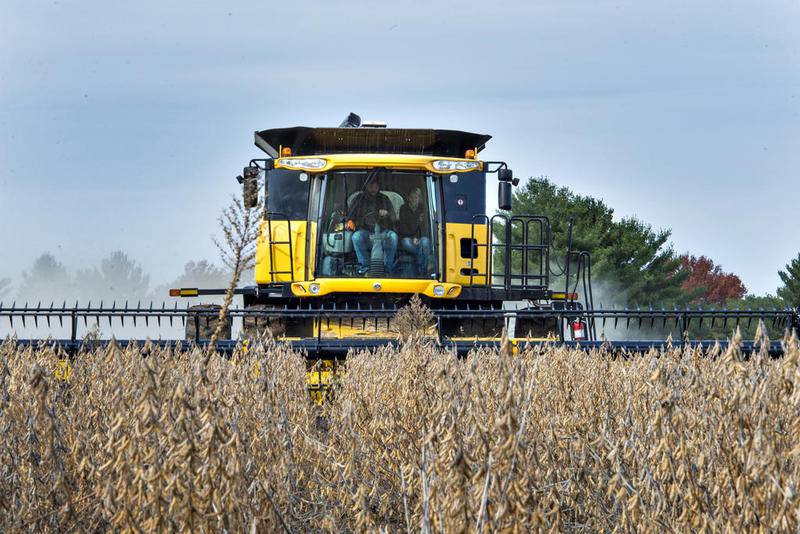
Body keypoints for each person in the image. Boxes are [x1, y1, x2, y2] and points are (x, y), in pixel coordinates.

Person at [346, 173, 398, 275]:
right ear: (366, 186)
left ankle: (388, 269)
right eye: (371, 186)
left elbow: (393, 217)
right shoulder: (359, 199)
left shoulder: (385, 199)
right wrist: (349, 222)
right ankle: (365, 267)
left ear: (378, 187)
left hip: (383, 234)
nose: (373, 189)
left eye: (375, 187)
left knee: (393, 236)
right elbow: (349, 216)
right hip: (366, 234)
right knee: (356, 237)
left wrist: (387, 214)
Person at [397, 187, 431, 276]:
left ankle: (421, 270)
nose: (414, 200)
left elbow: (426, 227)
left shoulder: (423, 209)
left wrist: (418, 238)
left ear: (419, 199)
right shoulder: (403, 209)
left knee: (425, 241)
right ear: (408, 198)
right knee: (406, 243)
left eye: (416, 198)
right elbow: (403, 227)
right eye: (412, 197)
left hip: (420, 237)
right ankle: (423, 267)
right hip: (407, 237)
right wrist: (413, 237)